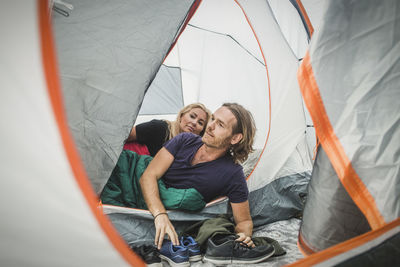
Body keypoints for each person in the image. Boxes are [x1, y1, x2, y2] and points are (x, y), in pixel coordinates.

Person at [139, 103, 256, 249]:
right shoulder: (184, 139)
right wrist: (159, 214)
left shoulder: (233, 174)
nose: (210, 126)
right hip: (141, 188)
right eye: (213, 119)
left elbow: (244, 221)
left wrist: (244, 237)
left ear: (235, 138)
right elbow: (148, 175)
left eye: (220, 124)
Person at [126, 103, 211, 157]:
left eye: (200, 123)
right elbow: (123, 136)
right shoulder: (159, 127)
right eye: (192, 116)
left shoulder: (190, 153)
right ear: (181, 116)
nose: (194, 122)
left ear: (201, 132)